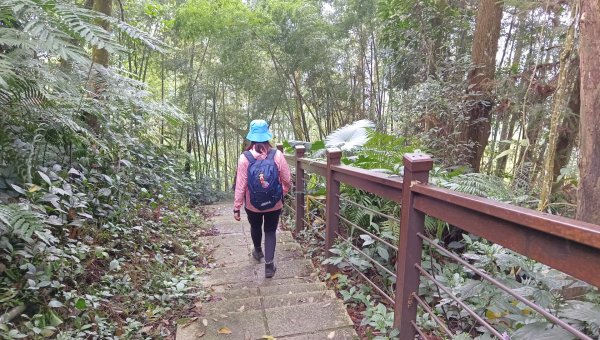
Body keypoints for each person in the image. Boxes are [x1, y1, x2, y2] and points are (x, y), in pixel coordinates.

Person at [233, 119, 291, 278]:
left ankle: (258, 251)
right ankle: (269, 266)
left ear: (251, 137)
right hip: (274, 202)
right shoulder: (277, 155)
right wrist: (281, 193)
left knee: (255, 226)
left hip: (253, 204)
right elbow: (287, 179)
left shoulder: (245, 157)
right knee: (270, 231)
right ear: (267, 136)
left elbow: (241, 184)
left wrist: (237, 206)